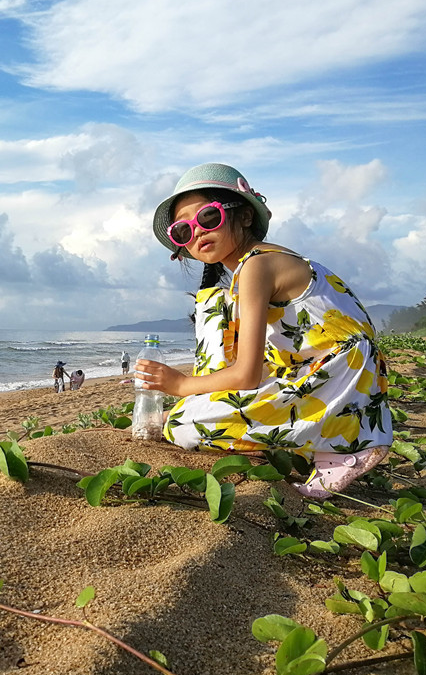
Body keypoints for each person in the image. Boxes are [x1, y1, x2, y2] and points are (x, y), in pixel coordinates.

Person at [135, 162, 392, 499]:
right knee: (212, 328)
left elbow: (246, 375)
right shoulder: (261, 263)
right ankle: (328, 443)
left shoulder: (256, 266)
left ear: (244, 216)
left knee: (182, 424)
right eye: (183, 231)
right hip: (344, 377)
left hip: (339, 379)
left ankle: (346, 448)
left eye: (207, 218)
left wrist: (181, 385)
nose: (196, 232)